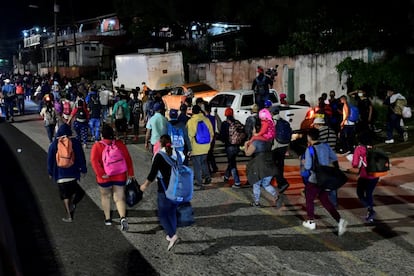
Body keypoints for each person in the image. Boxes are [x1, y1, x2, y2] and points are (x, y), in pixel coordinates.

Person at [302, 128, 348, 236]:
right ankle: (339, 220)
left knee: (309, 198)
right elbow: (333, 158)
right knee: (324, 199)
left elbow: (308, 166)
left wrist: (304, 162)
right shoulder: (326, 146)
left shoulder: (310, 149)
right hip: (326, 177)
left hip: (315, 178)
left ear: (309, 137)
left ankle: (311, 221)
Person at [90, 124, 135, 230]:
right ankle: (123, 218)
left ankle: (108, 219)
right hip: (119, 175)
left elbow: (94, 161)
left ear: (102, 135)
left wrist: (101, 173)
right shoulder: (119, 144)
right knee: (119, 198)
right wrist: (131, 173)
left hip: (104, 177)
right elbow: (128, 159)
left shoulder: (97, 146)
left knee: (105, 196)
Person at [140, 135, 180, 251]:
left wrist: (144, 186)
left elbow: (152, 174)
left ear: (160, 144)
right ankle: (171, 233)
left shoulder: (159, 156)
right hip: (176, 187)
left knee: (162, 215)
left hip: (164, 189)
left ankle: (172, 235)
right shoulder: (175, 153)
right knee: (171, 212)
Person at [47, 123, 87, 222]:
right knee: (78, 192)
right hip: (73, 174)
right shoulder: (75, 142)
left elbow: (50, 159)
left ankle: (69, 215)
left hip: (60, 175)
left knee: (65, 195)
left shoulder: (54, 144)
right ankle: (73, 203)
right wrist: (83, 169)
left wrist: (50, 172)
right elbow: (81, 157)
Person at [244, 123, 280, 207]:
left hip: (259, 166)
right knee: (266, 184)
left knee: (256, 183)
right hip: (269, 164)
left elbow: (248, 153)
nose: (252, 131)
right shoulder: (267, 141)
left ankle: (256, 202)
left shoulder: (256, 142)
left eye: (253, 129)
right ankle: (276, 196)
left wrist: (246, 145)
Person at [352, 131, 380, 223]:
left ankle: (370, 209)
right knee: (369, 194)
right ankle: (370, 216)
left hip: (365, 176)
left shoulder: (359, 149)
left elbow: (355, 164)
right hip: (375, 175)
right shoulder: (374, 148)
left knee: (360, 194)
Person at [312, 115, 339, 207]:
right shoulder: (332, 132)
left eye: (315, 125)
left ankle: (324, 200)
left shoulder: (319, 133)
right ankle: (334, 202)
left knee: (322, 180)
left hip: (323, 158)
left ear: (318, 124)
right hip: (333, 158)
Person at [187, 104, 214, 188]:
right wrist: (208, 144)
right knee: (204, 163)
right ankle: (207, 177)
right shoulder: (206, 120)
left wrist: (189, 149)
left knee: (197, 165)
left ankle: (199, 182)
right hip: (206, 146)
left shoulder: (191, 121)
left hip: (196, 147)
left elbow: (189, 136)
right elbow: (211, 133)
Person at [218, 107, 243, 188]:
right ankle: (226, 176)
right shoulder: (237, 122)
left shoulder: (225, 124)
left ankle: (237, 182)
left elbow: (222, 136)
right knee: (231, 161)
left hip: (229, 145)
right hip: (237, 145)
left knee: (232, 164)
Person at [270, 106, 290, 195]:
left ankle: (282, 182)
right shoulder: (284, 121)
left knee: (274, 165)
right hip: (284, 145)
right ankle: (279, 183)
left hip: (276, 145)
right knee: (280, 165)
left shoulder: (272, 122)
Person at [204, 103, 218, 173]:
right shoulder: (213, 118)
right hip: (213, 137)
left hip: (207, 138)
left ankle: (209, 169)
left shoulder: (205, 119)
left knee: (207, 154)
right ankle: (214, 167)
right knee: (210, 153)